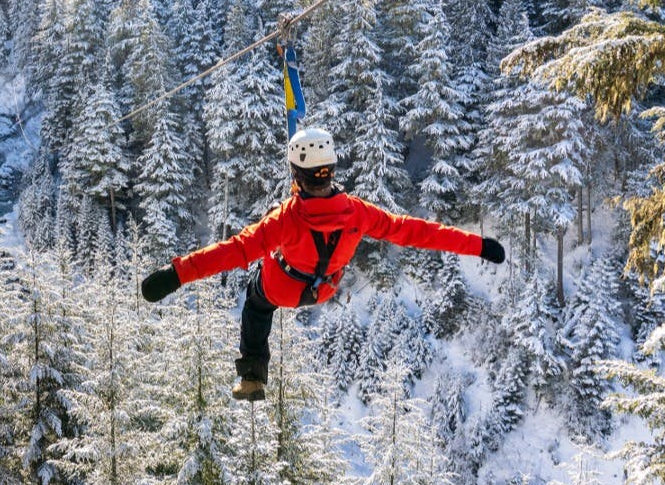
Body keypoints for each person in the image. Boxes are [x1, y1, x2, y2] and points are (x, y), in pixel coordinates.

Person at [140, 126, 506, 401]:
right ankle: (254, 368)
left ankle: (253, 374)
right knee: (271, 282)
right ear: (330, 170)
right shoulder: (356, 213)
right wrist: (477, 245)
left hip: (282, 287)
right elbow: (413, 231)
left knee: (255, 301)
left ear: (295, 176)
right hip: (324, 288)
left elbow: (232, 251)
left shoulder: (284, 220)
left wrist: (177, 274)